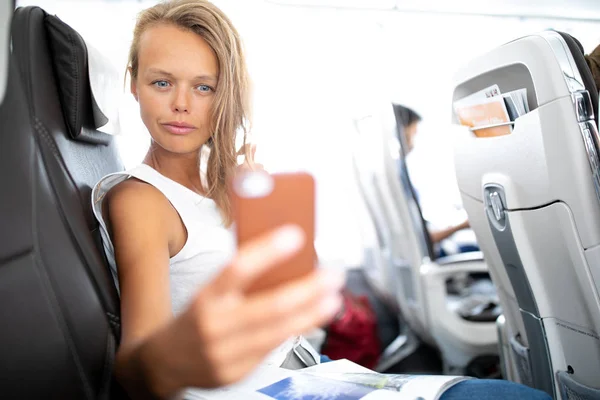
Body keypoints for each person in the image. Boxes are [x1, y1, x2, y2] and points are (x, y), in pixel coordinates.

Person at [90, 1, 551, 399]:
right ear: (133, 82)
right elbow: (134, 370)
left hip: (306, 368)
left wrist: (264, 216)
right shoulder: (141, 199)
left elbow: (302, 278)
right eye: (162, 83)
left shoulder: (224, 183)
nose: (182, 104)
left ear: (224, 92)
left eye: (203, 86)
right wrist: (191, 348)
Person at [392, 104, 477, 255]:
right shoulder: (398, 179)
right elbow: (424, 239)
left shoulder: (395, 174)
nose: (413, 143)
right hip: (437, 257)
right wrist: (464, 225)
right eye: (413, 134)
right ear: (401, 133)